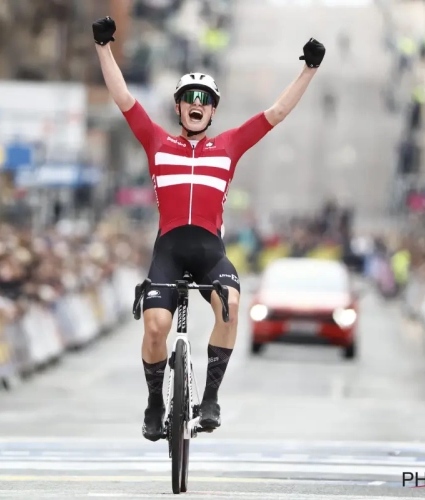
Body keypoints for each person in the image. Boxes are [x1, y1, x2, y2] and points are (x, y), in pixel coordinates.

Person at [92, 16, 325, 441]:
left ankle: (211, 398)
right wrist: (103, 46)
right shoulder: (157, 142)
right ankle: (154, 403)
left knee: (231, 306)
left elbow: (275, 113)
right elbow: (123, 97)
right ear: (179, 107)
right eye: (188, 98)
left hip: (210, 252)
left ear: (212, 110)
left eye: (204, 99)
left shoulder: (229, 145)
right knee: (156, 327)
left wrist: (308, 69)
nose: (196, 103)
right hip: (168, 251)